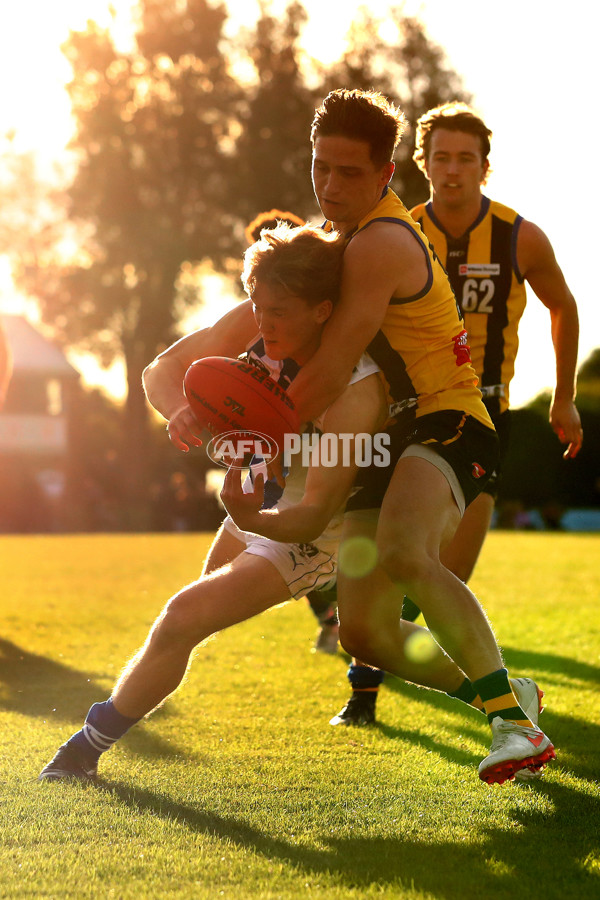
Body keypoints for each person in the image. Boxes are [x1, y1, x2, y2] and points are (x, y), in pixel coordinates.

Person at [37, 222, 392, 782]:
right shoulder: (255, 323)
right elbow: (161, 372)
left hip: (308, 529)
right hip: (260, 503)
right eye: (257, 303)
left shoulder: (354, 385)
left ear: (322, 310)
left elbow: (317, 511)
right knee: (182, 625)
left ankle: (83, 749)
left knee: (183, 618)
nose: (262, 319)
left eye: (277, 309)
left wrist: (252, 515)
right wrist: (185, 411)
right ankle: (498, 690)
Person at [282, 89, 555, 784]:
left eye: (349, 173)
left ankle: (514, 727)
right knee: (366, 631)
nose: (330, 186)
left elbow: (332, 366)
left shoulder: (377, 241)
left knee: (407, 552)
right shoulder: (334, 238)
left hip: (450, 416)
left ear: (386, 173)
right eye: (321, 168)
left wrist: (250, 428)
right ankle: (505, 697)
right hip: (391, 432)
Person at [331, 100, 583, 728]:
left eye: (465, 158)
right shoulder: (397, 231)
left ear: (485, 168)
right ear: (421, 163)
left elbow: (564, 307)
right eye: (440, 156)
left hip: (476, 414)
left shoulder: (520, 236)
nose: (452, 169)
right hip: (400, 414)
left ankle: (497, 702)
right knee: (395, 564)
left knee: (442, 571)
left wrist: (563, 394)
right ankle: (366, 692)